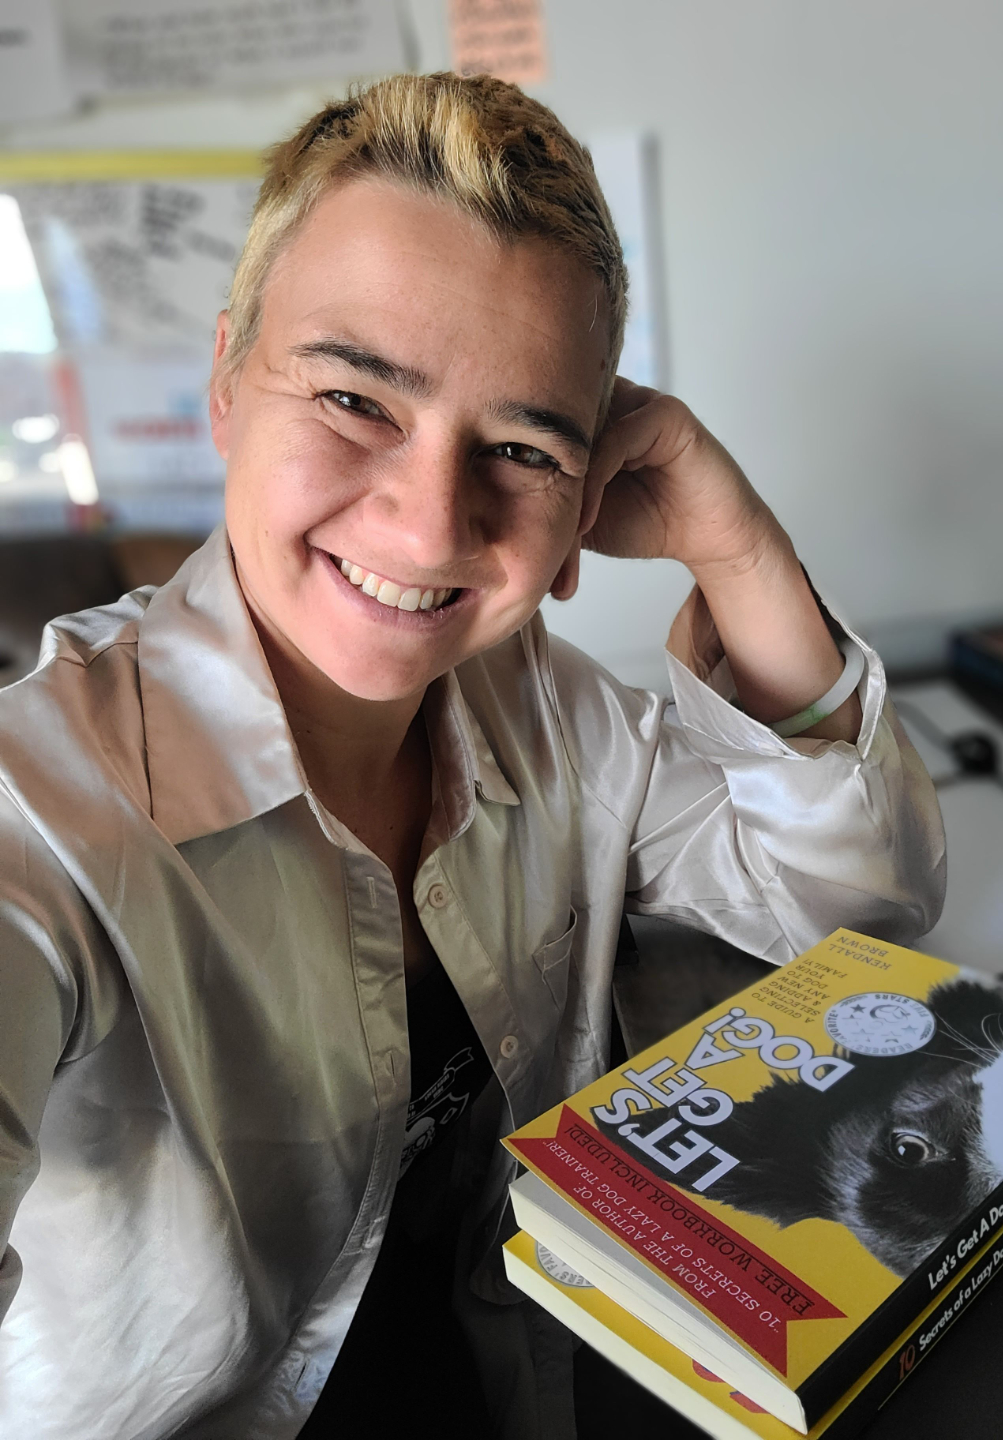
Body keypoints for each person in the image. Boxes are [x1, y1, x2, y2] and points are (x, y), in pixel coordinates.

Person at [0, 73, 944, 1439]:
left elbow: (855, 913)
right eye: (353, 397)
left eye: (521, 449)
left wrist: (735, 546)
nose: (433, 524)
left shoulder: (543, 710)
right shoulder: (40, 813)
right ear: (226, 383)